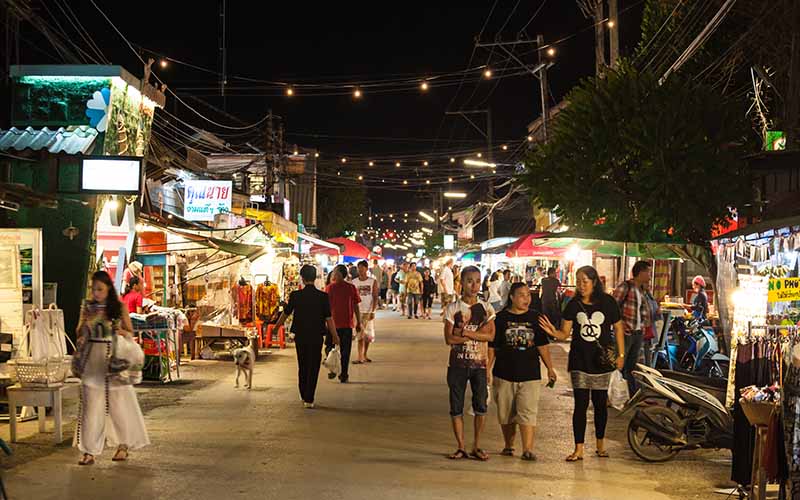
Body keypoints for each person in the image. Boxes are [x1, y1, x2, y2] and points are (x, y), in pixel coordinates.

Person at [539, 265, 625, 462]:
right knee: (580, 404)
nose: (581, 285)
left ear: (594, 282)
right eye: (578, 282)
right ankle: (578, 449)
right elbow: (564, 333)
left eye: (585, 281)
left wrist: (621, 355)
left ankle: (600, 445)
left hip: (602, 362)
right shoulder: (573, 304)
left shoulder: (608, 302)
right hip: (579, 360)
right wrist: (553, 332)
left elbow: (618, 328)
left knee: (600, 404)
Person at [74, 271, 149, 466]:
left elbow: (130, 332)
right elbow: (78, 329)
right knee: (90, 406)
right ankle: (89, 451)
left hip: (114, 358)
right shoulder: (87, 307)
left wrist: (119, 331)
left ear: (108, 288)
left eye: (99, 289)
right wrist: (85, 330)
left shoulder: (119, 306)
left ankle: (123, 445)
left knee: (119, 404)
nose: (96, 293)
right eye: (93, 289)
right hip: (92, 359)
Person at [489, 282, 556, 461]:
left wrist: (550, 368)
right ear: (511, 297)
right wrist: (487, 370)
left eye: (528, 295)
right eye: (521, 295)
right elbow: (493, 347)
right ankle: (509, 445)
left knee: (527, 412)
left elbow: (542, 346)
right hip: (504, 373)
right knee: (506, 413)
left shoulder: (536, 318)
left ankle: (527, 449)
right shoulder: (500, 318)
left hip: (530, 374)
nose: (526, 299)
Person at [443, 265, 496, 462]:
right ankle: (461, 446)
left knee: (480, 406)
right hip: (457, 365)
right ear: (461, 283)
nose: (474, 286)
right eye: (469, 281)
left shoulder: (486, 308)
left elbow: (490, 335)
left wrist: (465, 333)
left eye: (477, 281)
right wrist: (476, 337)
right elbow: (449, 339)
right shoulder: (453, 308)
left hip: (480, 365)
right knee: (455, 407)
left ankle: (477, 445)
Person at [274, 265, 340, 408]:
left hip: (301, 336)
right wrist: (335, 336)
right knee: (313, 366)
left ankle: (303, 394)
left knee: (303, 365)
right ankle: (309, 398)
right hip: (316, 336)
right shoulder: (323, 297)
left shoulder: (296, 296)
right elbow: (329, 319)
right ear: (315, 278)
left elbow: (285, 313)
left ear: (302, 278)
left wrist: (276, 328)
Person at [612, 261, 653, 396]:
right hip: (626, 333)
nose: (650, 275)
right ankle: (613, 394)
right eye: (648, 272)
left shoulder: (642, 290)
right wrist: (620, 324)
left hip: (637, 333)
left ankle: (628, 394)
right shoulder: (626, 286)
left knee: (631, 366)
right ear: (640, 273)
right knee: (620, 364)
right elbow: (613, 305)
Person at [325, 265, 363, 383]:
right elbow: (356, 305)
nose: (333, 274)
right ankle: (343, 374)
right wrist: (358, 322)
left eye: (335, 272)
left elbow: (325, 308)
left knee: (329, 348)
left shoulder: (330, 288)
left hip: (333, 325)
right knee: (345, 351)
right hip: (346, 325)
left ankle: (333, 367)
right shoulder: (351, 287)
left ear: (340, 274)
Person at [352, 260, 379, 364]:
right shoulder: (354, 282)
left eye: (362, 268)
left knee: (367, 336)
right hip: (357, 311)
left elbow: (375, 296)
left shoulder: (372, 281)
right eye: (359, 268)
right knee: (360, 334)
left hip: (368, 311)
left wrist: (373, 311)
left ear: (367, 269)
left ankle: (365, 354)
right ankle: (359, 357)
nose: (360, 270)